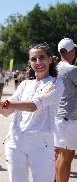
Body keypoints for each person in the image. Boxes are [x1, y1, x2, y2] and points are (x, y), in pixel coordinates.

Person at [0, 43, 65, 182]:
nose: (38, 62)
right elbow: (7, 111)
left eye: (42, 57)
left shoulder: (55, 82)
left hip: (41, 144)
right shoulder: (25, 84)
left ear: (50, 60)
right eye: (33, 59)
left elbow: (33, 106)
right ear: (30, 63)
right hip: (16, 142)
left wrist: (1, 103)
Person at [54, 38, 77, 182]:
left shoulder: (54, 68)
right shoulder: (72, 70)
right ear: (71, 51)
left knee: (58, 155)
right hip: (69, 119)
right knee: (67, 157)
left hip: (57, 117)